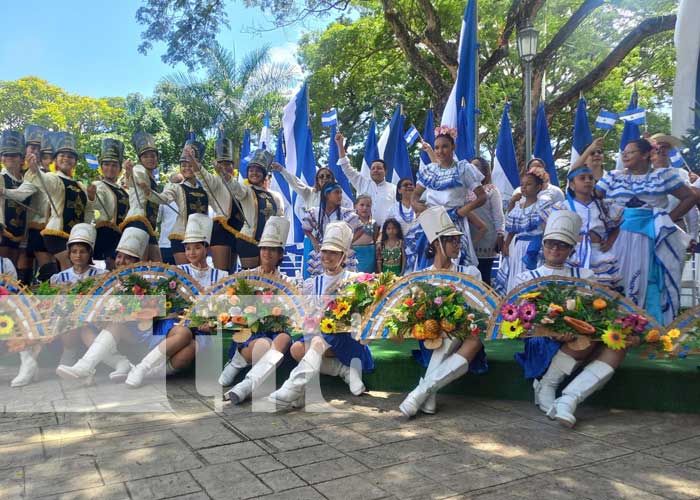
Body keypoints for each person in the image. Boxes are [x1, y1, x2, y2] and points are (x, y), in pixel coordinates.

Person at [267, 222, 372, 409]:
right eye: (325, 251)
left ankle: (293, 388)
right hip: (321, 338)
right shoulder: (311, 283)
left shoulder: (355, 281)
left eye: (333, 252)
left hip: (347, 341)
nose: (327, 257)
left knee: (316, 342)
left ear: (343, 256)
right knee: (296, 349)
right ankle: (343, 370)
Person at [596, 138, 696, 325]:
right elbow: (593, 199)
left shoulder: (663, 176)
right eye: (624, 151)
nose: (624, 155)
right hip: (617, 237)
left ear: (645, 155)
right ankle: (614, 325)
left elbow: (689, 197)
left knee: (650, 279)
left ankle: (650, 326)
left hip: (651, 236)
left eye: (631, 151)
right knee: (616, 277)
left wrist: (667, 219)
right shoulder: (613, 177)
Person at [399, 206, 486, 418]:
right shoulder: (421, 277)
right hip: (432, 339)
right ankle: (427, 394)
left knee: (474, 339)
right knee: (444, 333)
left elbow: (480, 310)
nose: (458, 244)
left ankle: (421, 392)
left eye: (458, 240)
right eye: (452, 240)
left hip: (463, 335)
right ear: (437, 244)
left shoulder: (470, 272)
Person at [125, 214, 228, 387]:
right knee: (184, 333)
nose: (191, 253)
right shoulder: (176, 272)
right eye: (188, 248)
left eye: (196, 248)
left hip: (204, 328)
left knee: (191, 350)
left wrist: (212, 322)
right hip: (177, 325)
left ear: (206, 249)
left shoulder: (222, 275)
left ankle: (151, 374)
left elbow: (224, 306)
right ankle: (143, 368)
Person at [510, 211, 596, 415]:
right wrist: (551, 331)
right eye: (550, 243)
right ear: (543, 245)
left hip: (575, 334)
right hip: (540, 338)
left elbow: (591, 314)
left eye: (562, 245)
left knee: (593, 337)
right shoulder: (525, 277)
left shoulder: (584, 275)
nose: (555, 249)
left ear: (572, 250)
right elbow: (520, 322)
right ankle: (548, 387)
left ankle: (547, 385)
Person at [55, 227, 151, 381]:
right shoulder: (112, 280)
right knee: (85, 328)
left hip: (139, 329)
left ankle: (85, 366)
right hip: (112, 325)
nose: (122, 261)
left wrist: (122, 316)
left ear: (137, 261)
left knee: (115, 324)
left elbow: (149, 310)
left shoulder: (146, 280)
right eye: (119, 256)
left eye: (129, 258)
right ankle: (120, 363)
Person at [221, 216, 294, 404]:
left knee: (285, 338)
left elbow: (293, 313)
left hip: (276, 332)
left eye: (272, 250)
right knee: (263, 344)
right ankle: (237, 361)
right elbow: (230, 309)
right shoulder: (245, 277)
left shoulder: (289, 283)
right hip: (251, 333)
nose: (267, 253)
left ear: (280, 254)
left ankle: (245, 387)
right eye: (264, 248)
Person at [413, 130, 486, 270]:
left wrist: (463, 210)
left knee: (454, 263)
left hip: (453, 224)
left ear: (453, 147)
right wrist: (420, 209)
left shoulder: (463, 169)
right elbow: (414, 196)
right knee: (429, 263)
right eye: (437, 147)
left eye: (444, 146)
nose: (440, 151)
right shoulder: (430, 170)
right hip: (431, 223)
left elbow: (482, 196)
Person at [24, 133, 96, 270]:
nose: (66, 159)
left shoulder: (80, 185)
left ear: (75, 161)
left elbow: (87, 211)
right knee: (69, 267)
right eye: (62, 155)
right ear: (55, 160)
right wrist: (34, 170)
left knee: (71, 270)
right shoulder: (54, 178)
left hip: (75, 236)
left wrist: (91, 198)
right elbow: (44, 181)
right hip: (56, 233)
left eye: (70, 156)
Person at [544, 164, 622, 289]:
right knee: (571, 288)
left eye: (590, 178)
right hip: (573, 253)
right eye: (582, 178)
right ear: (572, 185)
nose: (587, 181)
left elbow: (616, 226)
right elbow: (548, 225)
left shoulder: (603, 205)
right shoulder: (563, 207)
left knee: (600, 288)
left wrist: (609, 242)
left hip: (597, 252)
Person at [148, 140, 209, 265]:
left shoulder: (205, 189)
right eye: (183, 165)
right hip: (181, 237)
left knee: (199, 276)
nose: (186, 168)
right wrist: (148, 192)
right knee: (185, 277)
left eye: (190, 165)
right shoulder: (176, 187)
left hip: (201, 238)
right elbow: (163, 199)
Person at [222, 150, 285, 269]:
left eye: (258, 170)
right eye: (251, 170)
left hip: (269, 244)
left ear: (264, 173)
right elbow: (235, 188)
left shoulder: (276, 196)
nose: (254, 173)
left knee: (268, 278)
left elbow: (280, 219)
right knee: (251, 279)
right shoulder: (246, 190)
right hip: (248, 240)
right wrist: (225, 176)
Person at [495, 167, 551, 294]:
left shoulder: (543, 206)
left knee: (532, 276)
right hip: (518, 247)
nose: (524, 187)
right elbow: (512, 230)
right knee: (516, 273)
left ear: (538, 187)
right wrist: (506, 244)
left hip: (535, 247)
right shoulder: (517, 208)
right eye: (522, 185)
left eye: (529, 184)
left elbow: (546, 229)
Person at [195, 134, 240, 271]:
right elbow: (202, 176)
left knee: (231, 273)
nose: (225, 168)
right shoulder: (214, 182)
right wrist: (194, 161)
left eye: (228, 164)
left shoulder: (238, 185)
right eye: (221, 164)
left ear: (233, 166)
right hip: (221, 229)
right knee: (222, 274)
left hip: (237, 231)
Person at [16, 127, 54, 284]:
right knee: (23, 258)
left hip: (41, 224)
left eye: (39, 148)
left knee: (47, 264)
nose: (36, 151)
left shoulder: (48, 172)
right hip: (20, 225)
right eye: (32, 147)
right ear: (25, 149)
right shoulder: (18, 171)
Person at [336, 132, 397, 226]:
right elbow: (346, 167)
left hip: (386, 233)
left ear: (385, 171)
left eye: (379, 168)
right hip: (362, 232)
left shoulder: (394, 189)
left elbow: (397, 211)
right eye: (373, 168)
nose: (376, 170)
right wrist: (340, 145)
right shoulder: (362, 183)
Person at [649, 133, 699, 247]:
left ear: (669, 150)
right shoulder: (644, 174)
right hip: (649, 227)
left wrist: (693, 235)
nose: (660, 150)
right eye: (657, 147)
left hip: (677, 227)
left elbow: (691, 207)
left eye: (664, 147)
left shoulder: (682, 174)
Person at [303, 182, 360, 276]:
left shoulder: (345, 213)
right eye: (337, 193)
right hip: (323, 250)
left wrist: (348, 243)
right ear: (327, 194)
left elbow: (360, 229)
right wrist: (313, 240)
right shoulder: (315, 212)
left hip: (340, 251)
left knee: (343, 282)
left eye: (340, 193)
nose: (340, 196)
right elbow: (306, 228)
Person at [121, 132, 162, 262]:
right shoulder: (139, 169)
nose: (150, 159)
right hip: (138, 220)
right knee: (139, 264)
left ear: (157, 158)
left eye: (153, 156)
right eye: (145, 157)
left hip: (150, 225)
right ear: (140, 160)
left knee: (157, 265)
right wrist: (129, 173)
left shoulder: (152, 178)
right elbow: (134, 179)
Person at [93, 139, 129, 270]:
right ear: (101, 166)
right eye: (107, 164)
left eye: (114, 165)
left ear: (119, 168)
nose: (110, 168)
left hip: (122, 234)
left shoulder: (123, 190)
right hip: (106, 233)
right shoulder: (98, 186)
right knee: (112, 267)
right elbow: (94, 205)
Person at [470, 157, 505, 286]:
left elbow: (498, 215)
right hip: (470, 237)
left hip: (487, 238)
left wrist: (500, 234)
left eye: (476, 166)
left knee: (484, 277)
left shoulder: (491, 190)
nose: (473, 168)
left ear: (484, 171)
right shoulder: (464, 191)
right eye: (471, 166)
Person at [0, 130, 29, 266]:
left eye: (14, 155)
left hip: (21, 234)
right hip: (3, 233)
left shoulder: (27, 181)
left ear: (22, 159)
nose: (9, 158)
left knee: (12, 273)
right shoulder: (1, 178)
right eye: (6, 155)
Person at [157, 175, 182, 265]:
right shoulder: (164, 200)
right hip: (165, 243)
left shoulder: (186, 199)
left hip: (182, 244)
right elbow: (157, 218)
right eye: (173, 184)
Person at [352, 194, 379, 273]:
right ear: (355, 206)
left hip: (369, 253)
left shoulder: (373, 223)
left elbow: (375, 239)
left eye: (368, 206)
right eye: (362, 205)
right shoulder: (352, 222)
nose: (365, 208)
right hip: (356, 253)